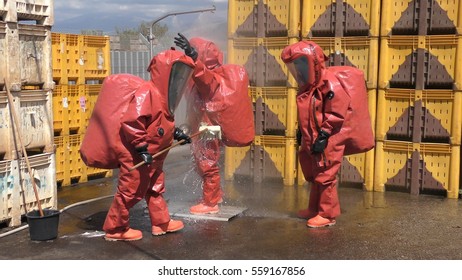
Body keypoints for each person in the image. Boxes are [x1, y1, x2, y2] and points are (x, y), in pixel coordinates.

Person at [80, 49, 195, 241]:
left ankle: (161, 222)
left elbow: (160, 124)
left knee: (155, 188)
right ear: (165, 74)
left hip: (154, 155)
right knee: (130, 190)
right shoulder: (148, 93)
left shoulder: (165, 100)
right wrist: (141, 148)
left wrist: (177, 134)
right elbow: (132, 122)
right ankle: (116, 228)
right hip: (136, 153)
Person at [174, 33, 254, 215]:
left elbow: (203, 76)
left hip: (207, 129)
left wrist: (193, 57)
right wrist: (187, 124)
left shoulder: (210, 77)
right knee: (202, 162)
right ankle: (215, 195)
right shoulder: (206, 78)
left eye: (193, 53)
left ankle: (210, 203)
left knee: (207, 163)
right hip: (203, 127)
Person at [281, 41, 351, 228]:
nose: (298, 71)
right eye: (295, 66)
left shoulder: (329, 84)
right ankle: (314, 208)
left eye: (302, 65)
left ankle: (328, 214)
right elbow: (308, 115)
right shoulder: (308, 89)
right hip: (312, 138)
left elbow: (337, 112)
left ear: (314, 63)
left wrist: (324, 135)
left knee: (326, 174)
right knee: (314, 174)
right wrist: (302, 133)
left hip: (328, 139)